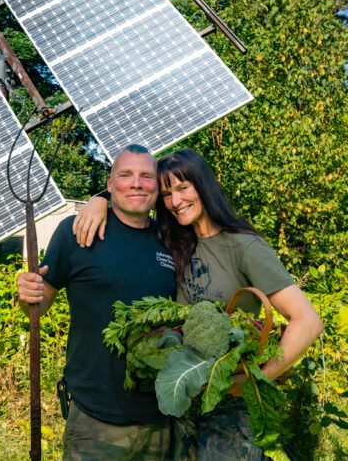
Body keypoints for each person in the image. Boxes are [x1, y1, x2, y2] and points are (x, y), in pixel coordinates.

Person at [73, 148, 324, 460]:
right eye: (167, 193)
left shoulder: (243, 246)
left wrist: (257, 378)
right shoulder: (173, 241)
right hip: (180, 408)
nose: (175, 201)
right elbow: (133, 203)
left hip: (228, 412)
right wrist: (99, 199)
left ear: (203, 185)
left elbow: (307, 321)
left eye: (183, 188)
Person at [16, 144, 177, 460]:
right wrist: (27, 295)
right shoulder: (75, 233)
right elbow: (40, 303)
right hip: (95, 421)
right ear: (109, 183)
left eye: (146, 176)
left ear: (157, 187)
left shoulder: (172, 239)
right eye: (125, 174)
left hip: (162, 418)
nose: (136, 183)